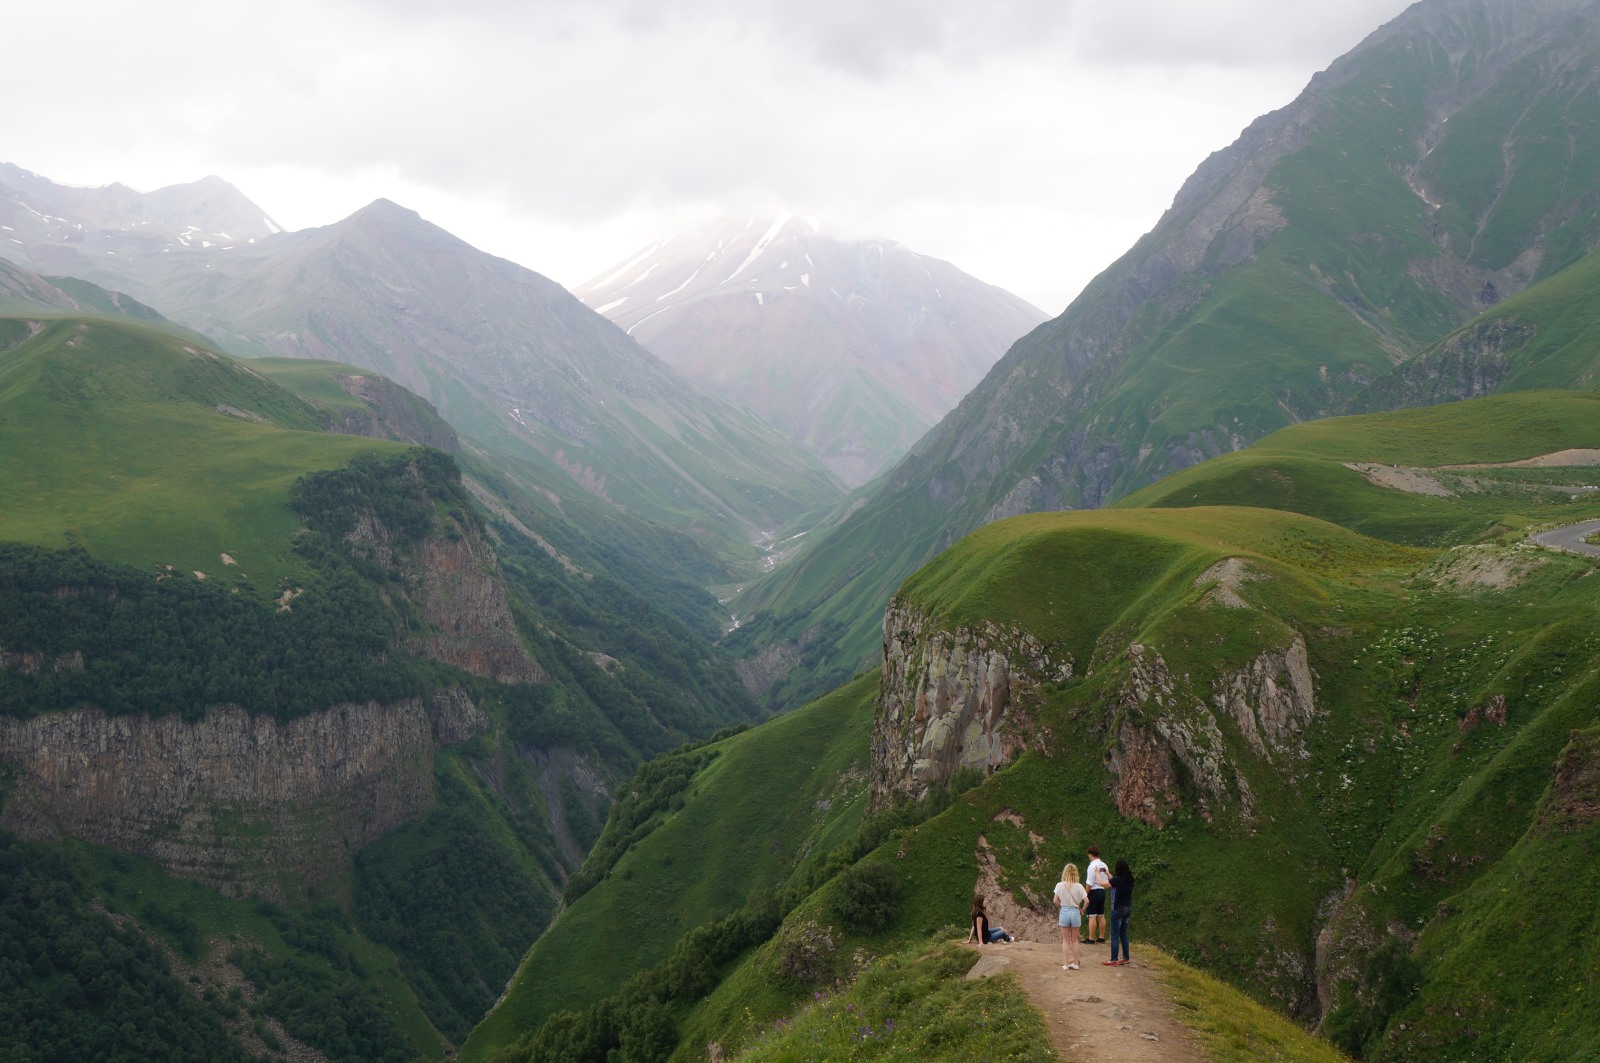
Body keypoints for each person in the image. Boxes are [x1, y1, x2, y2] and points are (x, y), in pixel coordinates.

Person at [1052, 862, 1088, 970]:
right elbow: (1087, 901)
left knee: (1065, 940)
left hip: (1064, 910)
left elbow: (1055, 900)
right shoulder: (1079, 886)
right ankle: (1076, 963)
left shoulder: (1059, 885)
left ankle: (1066, 964)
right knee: (1075, 940)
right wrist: (1082, 910)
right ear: (1075, 874)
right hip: (1075, 911)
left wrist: (1061, 906)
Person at [1104, 859, 1134, 966]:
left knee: (1115, 934)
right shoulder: (1130, 879)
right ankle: (1126, 957)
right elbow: (1114, 880)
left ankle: (1113, 959)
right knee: (1123, 933)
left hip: (1117, 909)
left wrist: (1098, 874)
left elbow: (1104, 885)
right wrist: (1107, 874)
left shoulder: (1117, 880)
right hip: (1127, 908)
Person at [1084, 846, 1110, 944]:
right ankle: (1102, 937)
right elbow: (1107, 880)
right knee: (1101, 915)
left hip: (1094, 891)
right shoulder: (1104, 865)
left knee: (1092, 916)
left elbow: (1089, 883)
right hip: (1102, 891)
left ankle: (1091, 938)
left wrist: (1085, 894)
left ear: (1090, 855)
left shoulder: (1092, 866)